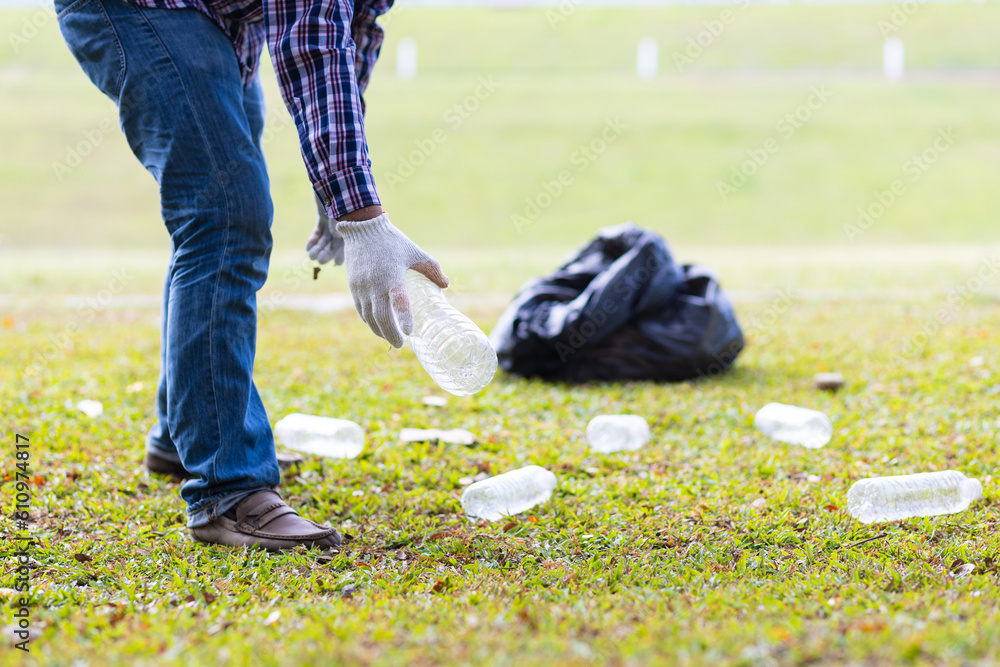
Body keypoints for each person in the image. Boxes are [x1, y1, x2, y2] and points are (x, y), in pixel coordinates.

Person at [55, 0, 448, 551]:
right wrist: (361, 219)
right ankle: (228, 488)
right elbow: (310, 41)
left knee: (223, 204)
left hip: (213, 21)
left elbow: (350, 28)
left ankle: (182, 434)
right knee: (224, 212)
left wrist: (336, 187)